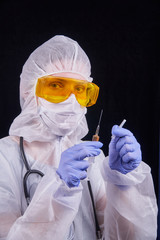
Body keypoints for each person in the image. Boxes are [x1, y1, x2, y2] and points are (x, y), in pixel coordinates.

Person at [0, 35, 157, 240]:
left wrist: (122, 183)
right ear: (28, 90)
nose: (72, 101)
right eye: (56, 86)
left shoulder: (93, 160)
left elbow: (128, 237)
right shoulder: (4, 158)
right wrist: (58, 188)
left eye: (80, 89)